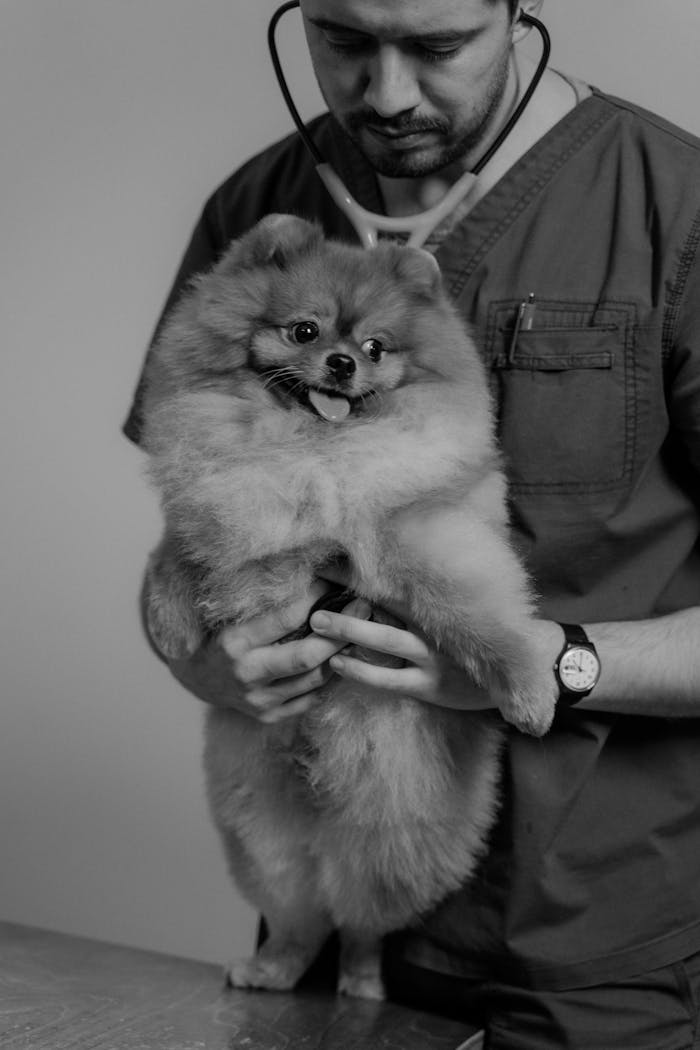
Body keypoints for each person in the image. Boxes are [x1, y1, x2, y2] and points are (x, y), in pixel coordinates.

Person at [124, 1, 700, 1045]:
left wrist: (552, 661)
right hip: (335, 894)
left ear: (519, 10)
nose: (384, 94)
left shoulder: (675, 207)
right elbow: (190, 506)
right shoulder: (259, 207)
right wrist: (198, 659)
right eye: (343, 39)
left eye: (434, 46)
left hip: (597, 931)